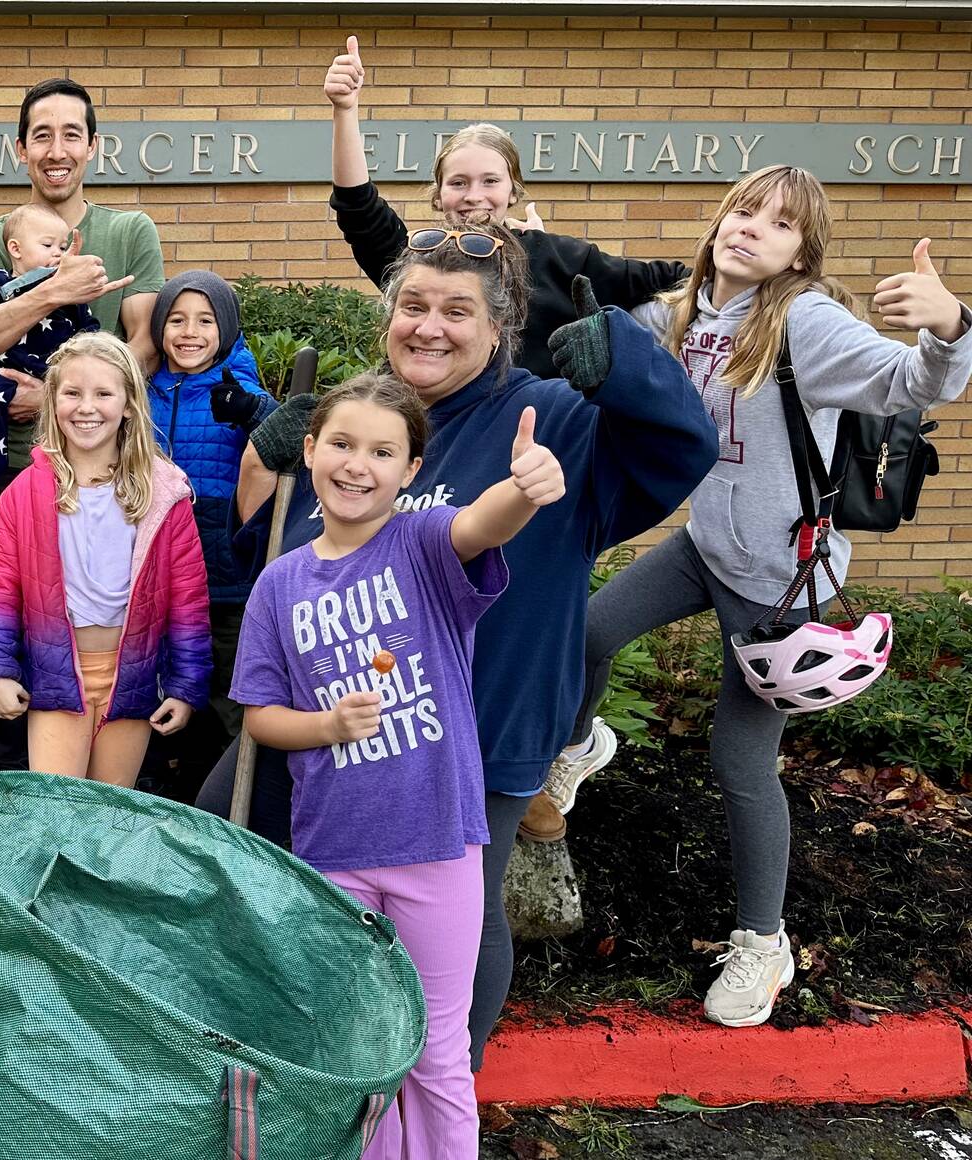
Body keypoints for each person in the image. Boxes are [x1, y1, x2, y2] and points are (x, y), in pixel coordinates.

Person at [200, 225, 718, 1069]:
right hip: (337, 729)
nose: (429, 326)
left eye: (457, 311)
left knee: (459, 918)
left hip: (480, 730)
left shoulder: (551, 417)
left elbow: (683, 447)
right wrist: (273, 463)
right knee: (228, 842)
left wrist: (626, 364)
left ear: (499, 328)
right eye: (412, 305)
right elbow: (289, 569)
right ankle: (299, 1065)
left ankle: (444, 1083)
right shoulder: (363, 422)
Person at [549, 166, 972, 1028]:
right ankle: (584, 742)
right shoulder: (684, 310)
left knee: (738, 765)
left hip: (782, 581)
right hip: (707, 547)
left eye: (778, 225)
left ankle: (761, 941)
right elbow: (603, 339)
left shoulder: (803, 321)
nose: (751, 228)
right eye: (744, 209)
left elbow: (910, 385)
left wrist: (950, 328)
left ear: (798, 255)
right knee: (586, 634)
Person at [237, 372, 563, 1158]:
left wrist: (523, 489)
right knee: (360, 1052)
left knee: (437, 1052)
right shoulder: (280, 585)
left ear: (410, 470)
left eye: (383, 451)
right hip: (334, 856)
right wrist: (324, 724)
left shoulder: (420, 544)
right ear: (310, 451)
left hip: (435, 846)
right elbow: (259, 717)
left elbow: (483, 525)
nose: (358, 465)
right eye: (342, 444)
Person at [321, 36, 688, 379]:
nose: (473, 195)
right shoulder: (418, 259)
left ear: (514, 190)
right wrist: (345, 110)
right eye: (458, 182)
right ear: (439, 193)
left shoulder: (556, 257)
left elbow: (671, 279)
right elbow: (358, 208)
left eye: (490, 181)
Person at [0, 332, 212, 784]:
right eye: (72, 393)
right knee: (60, 813)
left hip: (132, 677)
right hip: (56, 675)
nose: (86, 407)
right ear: (53, 402)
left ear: (128, 405)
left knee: (109, 817)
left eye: (103, 393)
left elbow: (189, 601)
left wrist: (185, 685)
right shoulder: (24, 493)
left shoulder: (165, 493)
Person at [0, 77, 166, 541]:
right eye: (42, 135)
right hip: (11, 462)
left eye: (71, 134)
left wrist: (55, 397)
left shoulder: (131, 232)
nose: (56, 150)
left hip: (106, 462)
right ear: (21, 149)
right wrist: (53, 290)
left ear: (92, 146)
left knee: (104, 607)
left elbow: (145, 346)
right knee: (14, 605)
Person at [144, 270, 277, 734]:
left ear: (226, 328)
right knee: (159, 689)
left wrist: (254, 412)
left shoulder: (238, 385)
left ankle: (224, 798)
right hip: (155, 571)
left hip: (223, 574)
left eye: (205, 321)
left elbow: (291, 441)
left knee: (227, 695)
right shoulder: (143, 390)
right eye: (177, 320)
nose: (190, 333)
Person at [0, 202, 99, 492]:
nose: (58, 253)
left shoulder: (68, 287)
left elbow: (89, 327)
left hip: (50, 373)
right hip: (5, 371)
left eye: (62, 247)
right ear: (16, 249)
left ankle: (58, 462)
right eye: (48, 244)